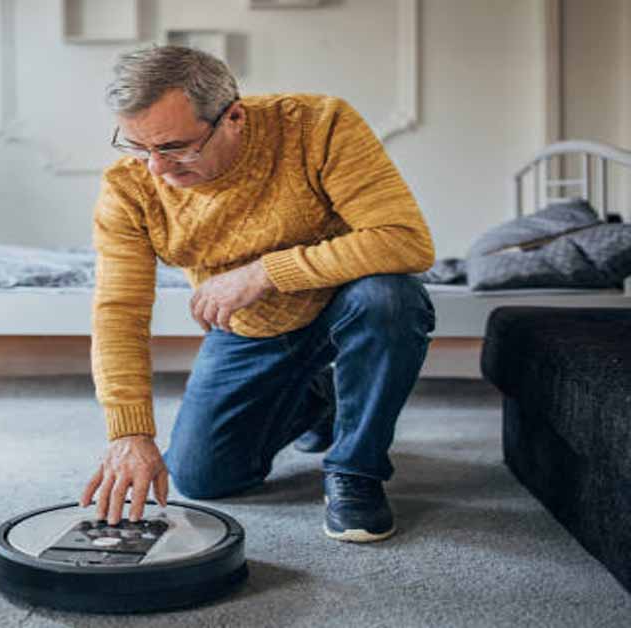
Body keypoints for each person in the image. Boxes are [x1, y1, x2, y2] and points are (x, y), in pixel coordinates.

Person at [78, 46, 436, 543]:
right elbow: (119, 312)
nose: (156, 169)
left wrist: (265, 272)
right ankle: (320, 398)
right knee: (205, 478)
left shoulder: (318, 125)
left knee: (392, 298)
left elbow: (405, 239)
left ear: (234, 117)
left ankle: (357, 471)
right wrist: (129, 432)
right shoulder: (129, 188)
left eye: (176, 147)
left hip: (347, 304)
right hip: (254, 328)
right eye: (138, 146)